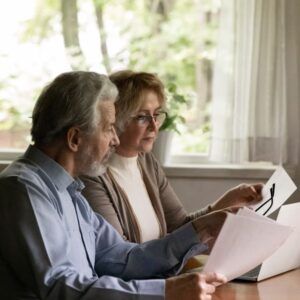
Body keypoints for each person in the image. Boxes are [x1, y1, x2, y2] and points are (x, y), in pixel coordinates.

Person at [0, 71, 228, 300]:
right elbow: (59, 286)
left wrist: (200, 230)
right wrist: (165, 292)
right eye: (109, 128)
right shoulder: (23, 190)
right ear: (75, 138)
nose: (115, 139)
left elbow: (122, 257)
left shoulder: (70, 193)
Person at [81, 70, 263, 243]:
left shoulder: (147, 162)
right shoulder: (93, 176)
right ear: (115, 119)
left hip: (165, 272)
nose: (154, 125)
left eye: (157, 114)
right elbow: (120, 255)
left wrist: (229, 200)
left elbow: (179, 227)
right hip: (142, 276)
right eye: (143, 117)